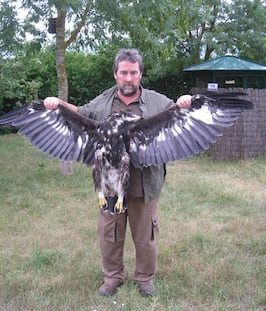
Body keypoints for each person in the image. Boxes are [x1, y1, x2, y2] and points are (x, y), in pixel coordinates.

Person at [44, 48, 192, 297]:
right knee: (109, 234)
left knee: (145, 236)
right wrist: (58, 104)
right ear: (115, 74)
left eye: (133, 73)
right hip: (110, 183)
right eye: (123, 72)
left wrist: (186, 101)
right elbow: (79, 113)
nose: (128, 78)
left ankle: (145, 279)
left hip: (145, 183)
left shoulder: (157, 102)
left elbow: (177, 113)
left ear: (140, 75)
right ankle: (113, 277)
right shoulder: (103, 102)